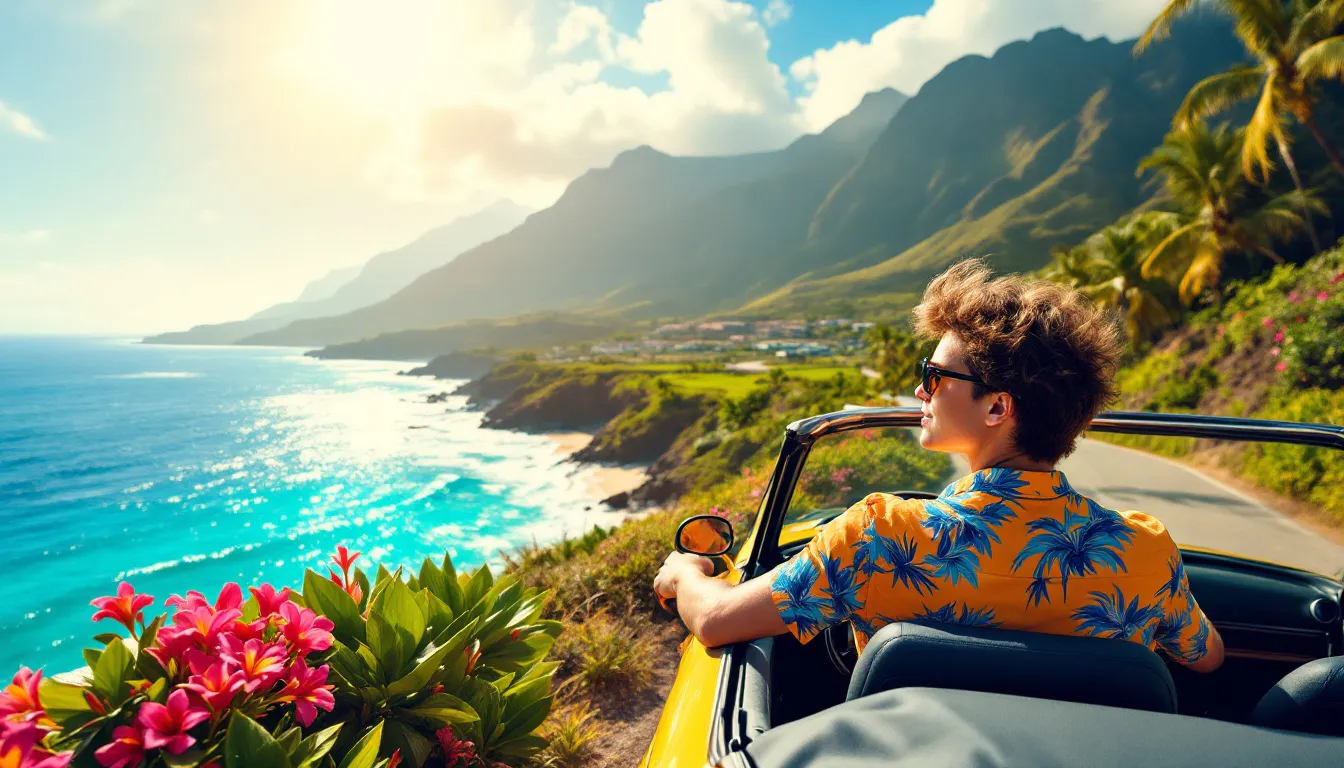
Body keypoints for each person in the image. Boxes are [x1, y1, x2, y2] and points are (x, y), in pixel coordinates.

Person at [653, 258, 1224, 673]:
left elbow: (717, 621)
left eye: (934, 376)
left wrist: (684, 573)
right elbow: (1206, 657)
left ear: (998, 406)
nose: (919, 391)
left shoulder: (880, 536)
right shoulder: (1146, 553)